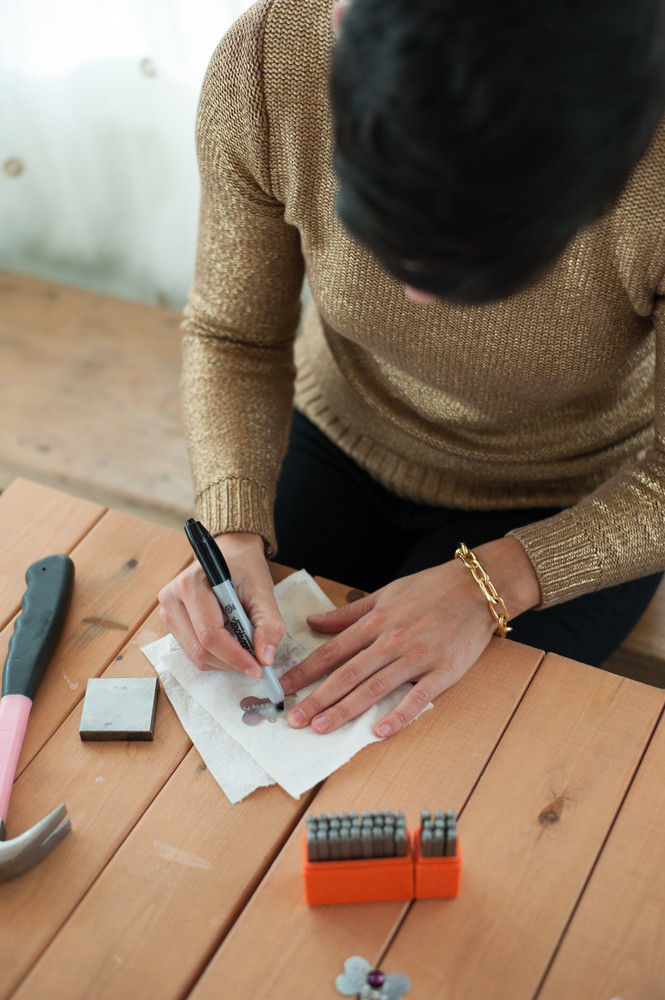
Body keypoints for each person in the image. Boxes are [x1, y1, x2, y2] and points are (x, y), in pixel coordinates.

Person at [158, 0, 665, 741]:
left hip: (586, 493)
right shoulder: (274, 57)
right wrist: (232, 527)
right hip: (341, 430)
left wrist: (497, 581)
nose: (419, 298)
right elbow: (234, 334)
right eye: (387, 236)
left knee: (428, 758)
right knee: (230, 715)